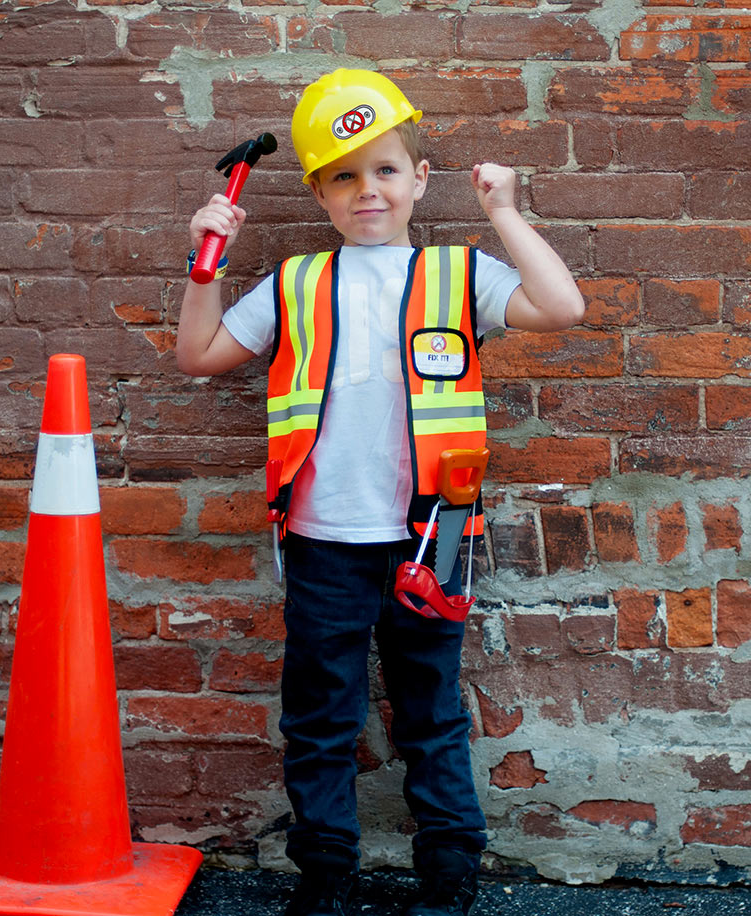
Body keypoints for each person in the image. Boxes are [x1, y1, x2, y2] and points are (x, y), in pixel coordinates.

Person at [175, 69, 585, 916]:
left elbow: (562, 306)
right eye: (345, 176)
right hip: (324, 541)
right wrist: (204, 262)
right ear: (321, 194)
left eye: (387, 169)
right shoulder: (292, 285)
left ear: (420, 179)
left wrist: (503, 211)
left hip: (433, 537)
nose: (368, 190)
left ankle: (449, 870)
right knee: (320, 716)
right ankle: (325, 872)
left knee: (430, 712)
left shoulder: (457, 273)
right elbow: (200, 354)